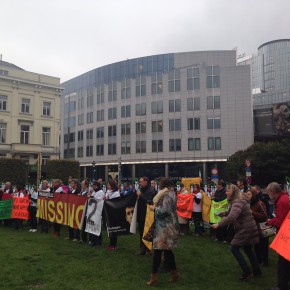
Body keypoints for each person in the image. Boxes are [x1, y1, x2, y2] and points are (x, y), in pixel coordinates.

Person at [211, 184, 261, 280]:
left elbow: (232, 217)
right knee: (248, 249)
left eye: (228, 191)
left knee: (234, 248)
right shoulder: (237, 200)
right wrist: (225, 213)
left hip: (245, 228)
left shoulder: (237, 201)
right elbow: (234, 213)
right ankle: (257, 271)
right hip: (248, 227)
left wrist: (218, 224)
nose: (226, 193)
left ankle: (247, 271)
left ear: (233, 192)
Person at [147, 178, 179, 286]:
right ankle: (174, 273)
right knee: (167, 251)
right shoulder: (172, 193)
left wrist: (154, 209)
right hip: (170, 225)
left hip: (164, 227)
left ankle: (154, 276)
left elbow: (165, 210)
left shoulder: (166, 194)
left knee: (158, 251)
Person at [267, 182, 290, 290]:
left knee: (283, 264)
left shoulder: (282, 201)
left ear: (272, 191)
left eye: (269, 193)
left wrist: (270, 221)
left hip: (286, 236)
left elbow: (281, 221)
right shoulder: (285, 198)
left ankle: (282, 286)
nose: (269, 196)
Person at [247, 189, 269, 266]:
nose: (247, 196)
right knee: (256, 246)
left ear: (253, 195)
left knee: (263, 246)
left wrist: (252, 213)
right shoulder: (249, 204)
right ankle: (258, 260)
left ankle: (265, 261)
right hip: (254, 228)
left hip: (262, 228)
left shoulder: (260, 203)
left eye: (249, 194)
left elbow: (264, 216)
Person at [136, 177, 156, 255]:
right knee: (141, 232)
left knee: (148, 233)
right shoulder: (141, 189)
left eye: (141, 181)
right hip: (141, 214)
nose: (140, 183)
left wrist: (141, 196)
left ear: (146, 182)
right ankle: (142, 248)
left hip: (148, 215)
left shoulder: (152, 191)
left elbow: (149, 201)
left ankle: (148, 249)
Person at [88, 181, 104, 247]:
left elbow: (98, 200)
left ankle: (98, 241)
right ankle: (93, 241)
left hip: (98, 211)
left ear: (96, 186)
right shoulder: (95, 192)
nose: (92, 187)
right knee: (93, 227)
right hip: (93, 211)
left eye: (93, 186)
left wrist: (91, 197)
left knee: (97, 227)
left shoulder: (101, 192)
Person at [105, 179, 120, 250]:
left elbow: (115, 202)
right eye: (107, 185)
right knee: (110, 228)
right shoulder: (108, 192)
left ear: (112, 186)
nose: (107, 186)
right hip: (109, 212)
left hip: (114, 213)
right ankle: (111, 243)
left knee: (113, 229)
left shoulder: (116, 193)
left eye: (109, 185)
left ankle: (114, 244)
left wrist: (107, 199)